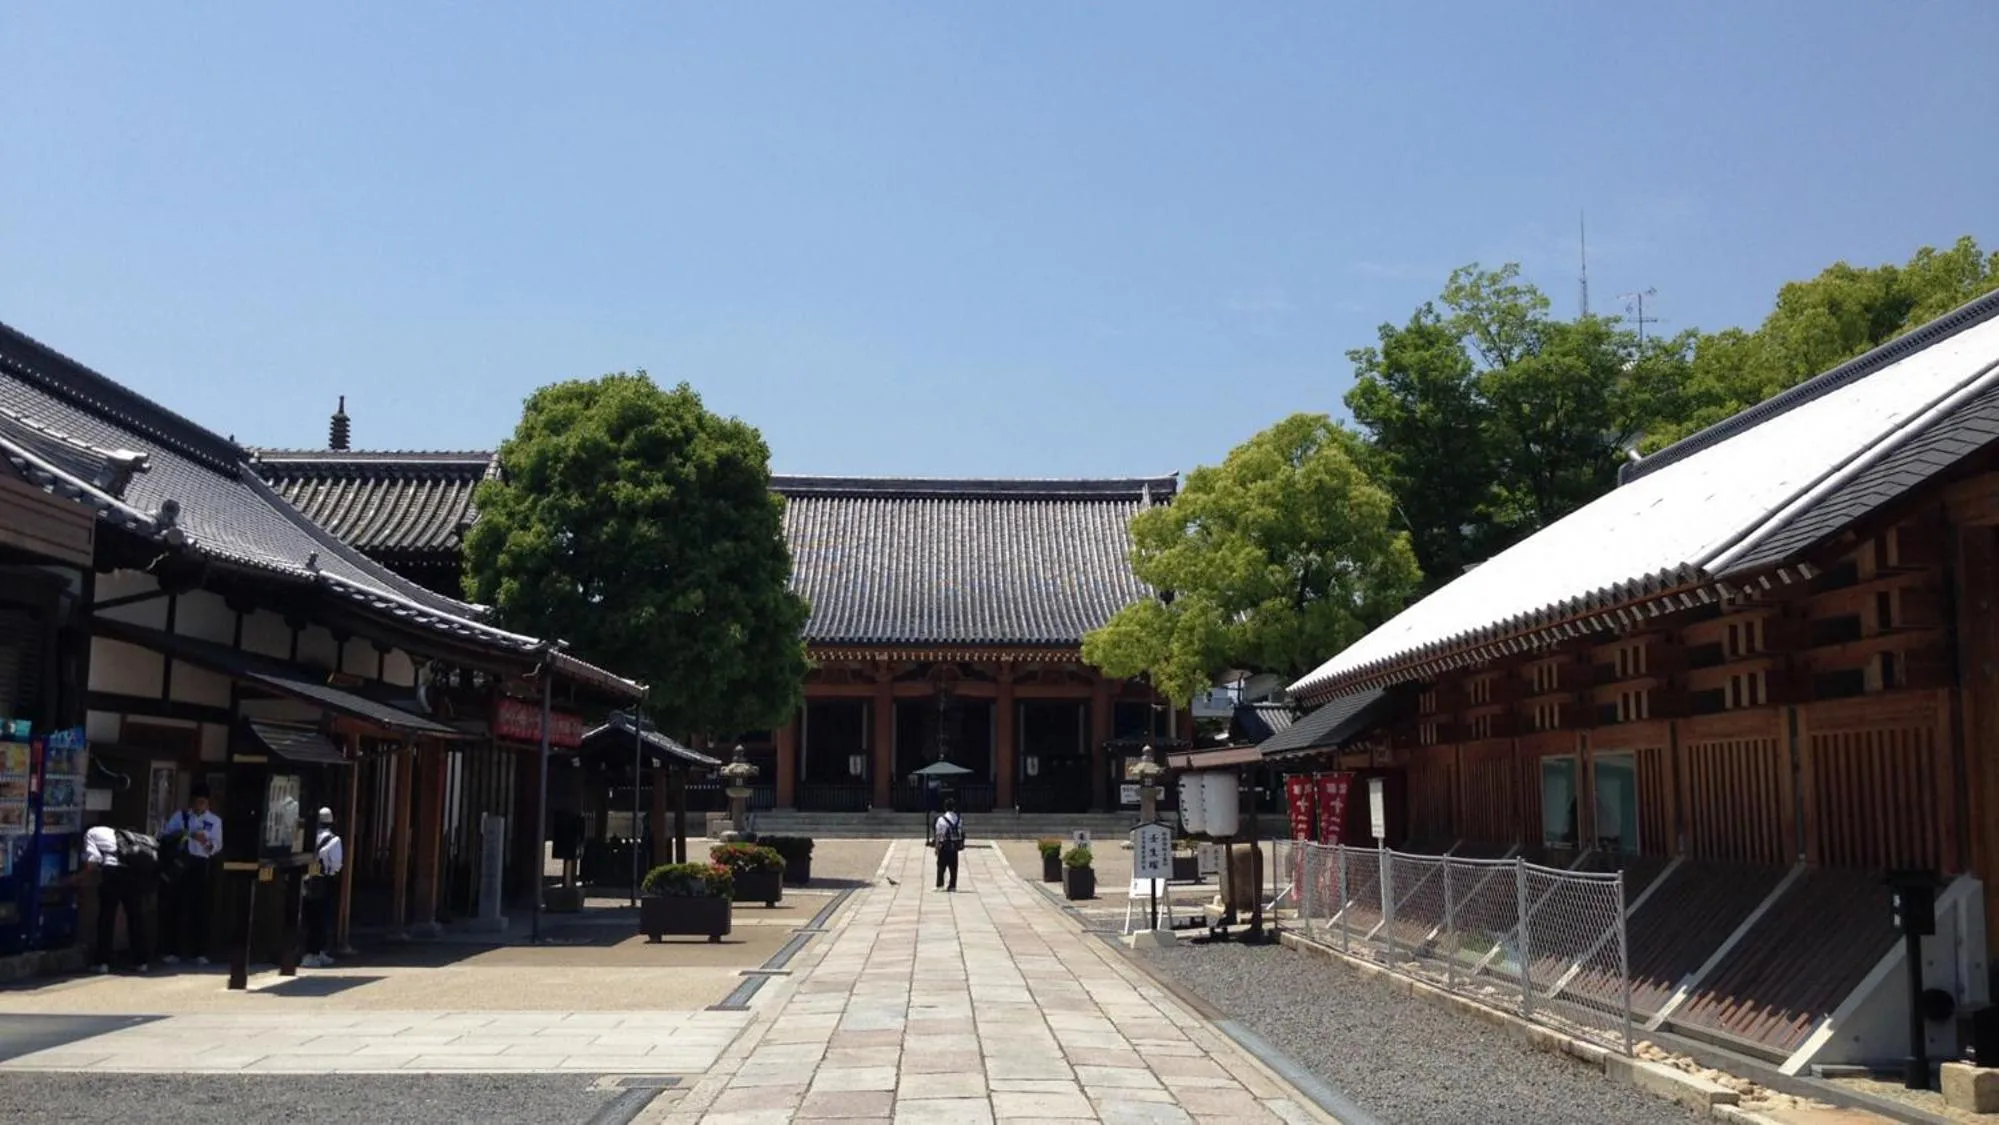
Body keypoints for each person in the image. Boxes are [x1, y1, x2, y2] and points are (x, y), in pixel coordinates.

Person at [159, 785, 222, 966]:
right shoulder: (182, 816)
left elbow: (216, 847)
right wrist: (188, 834)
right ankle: (173, 950)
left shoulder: (214, 821)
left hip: (201, 863)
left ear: (208, 803)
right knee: (176, 906)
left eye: (202, 802)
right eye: (196, 801)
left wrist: (206, 842)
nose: (199, 805)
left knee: (200, 908)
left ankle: (199, 951)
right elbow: (166, 835)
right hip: (181, 863)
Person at [81, 823, 149, 974]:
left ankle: (103, 962)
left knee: (107, 916)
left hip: (113, 871)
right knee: (135, 916)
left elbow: (93, 860)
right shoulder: (115, 832)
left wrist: (77, 878)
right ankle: (141, 961)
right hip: (132, 872)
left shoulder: (90, 833)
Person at [302, 807, 343, 968]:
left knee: (308, 917)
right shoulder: (333, 840)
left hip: (305, 880)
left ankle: (310, 952)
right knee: (321, 918)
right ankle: (315, 952)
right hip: (323, 881)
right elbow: (336, 865)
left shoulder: (308, 836)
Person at [931, 799, 964, 892]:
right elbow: (961, 832)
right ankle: (952, 885)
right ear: (954, 808)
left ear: (945, 807)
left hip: (944, 845)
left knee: (941, 865)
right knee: (953, 866)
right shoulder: (959, 819)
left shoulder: (941, 820)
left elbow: (938, 834)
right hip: (954, 845)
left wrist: (937, 847)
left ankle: (940, 885)